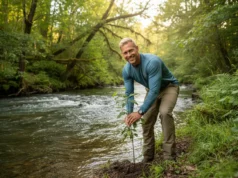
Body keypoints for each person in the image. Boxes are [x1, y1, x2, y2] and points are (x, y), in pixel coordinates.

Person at [119, 37, 179, 163]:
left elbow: (154, 91)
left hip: (169, 87)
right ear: (122, 54)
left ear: (137, 48)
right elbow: (129, 93)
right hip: (152, 91)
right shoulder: (126, 70)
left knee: (164, 113)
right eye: (125, 52)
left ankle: (169, 156)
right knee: (146, 121)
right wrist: (129, 114)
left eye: (131, 50)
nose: (129, 54)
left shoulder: (152, 62)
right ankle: (148, 157)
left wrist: (139, 112)